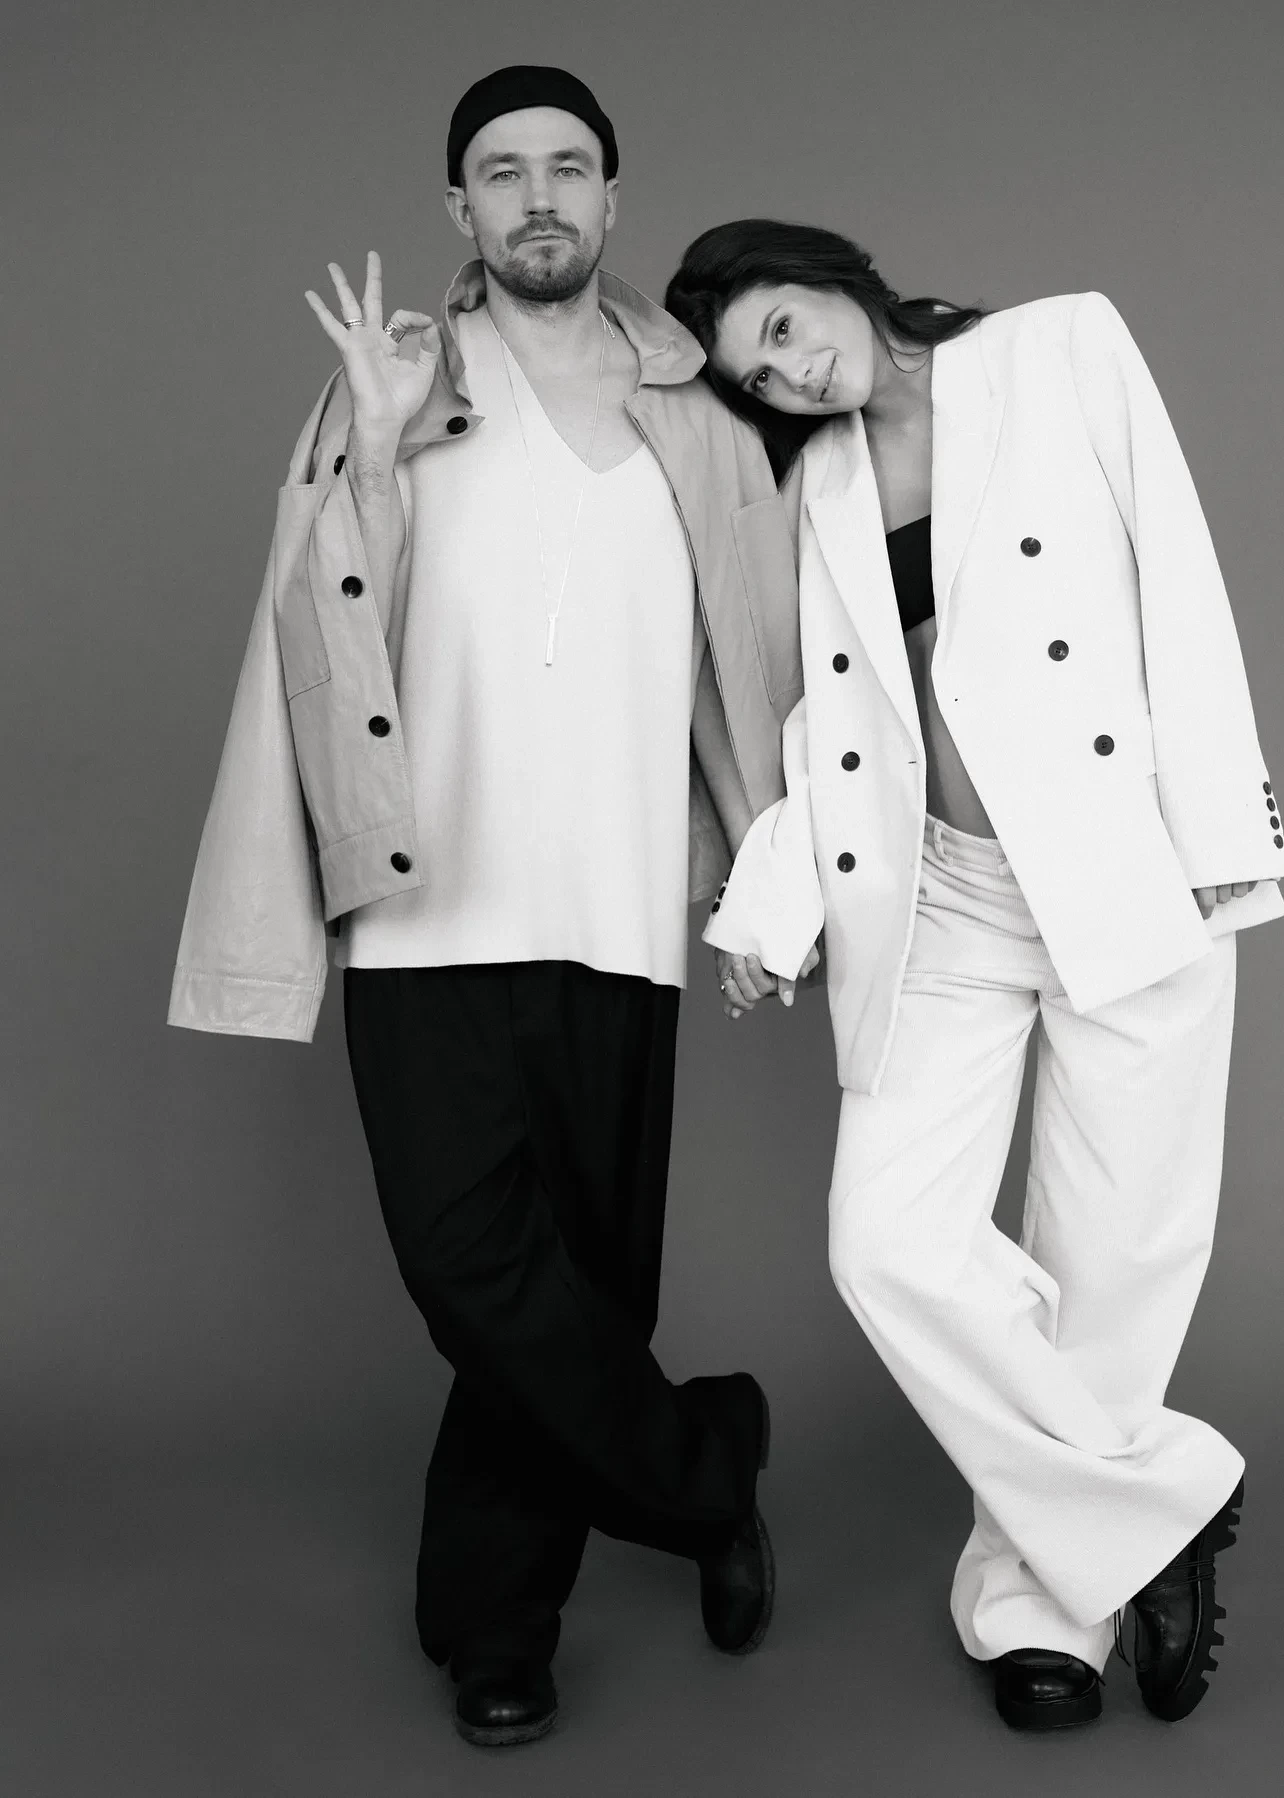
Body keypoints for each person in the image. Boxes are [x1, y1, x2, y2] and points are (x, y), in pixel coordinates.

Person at [168, 72, 803, 1749]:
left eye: (567, 168)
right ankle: (708, 1466)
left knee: (587, 1285)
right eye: (502, 173)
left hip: (621, 911)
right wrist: (372, 452)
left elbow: (766, 659)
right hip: (422, 909)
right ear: (461, 210)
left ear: (612, 197)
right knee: (472, 1267)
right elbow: (315, 631)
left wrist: (773, 879)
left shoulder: (701, 411)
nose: (538, 197)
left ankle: (496, 1625)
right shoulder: (393, 382)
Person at [666, 220, 1284, 1731]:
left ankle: (1038, 1609)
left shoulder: (1062, 347)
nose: (791, 371)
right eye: (759, 375)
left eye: (783, 324)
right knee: (889, 1241)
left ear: (828, 274)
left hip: (1121, 863)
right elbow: (824, 724)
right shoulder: (815, 487)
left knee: (1115, 1252)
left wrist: (1222, 826)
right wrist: (770, 908)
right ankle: (1159, 1507)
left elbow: (1181, 575)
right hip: (940, 893)